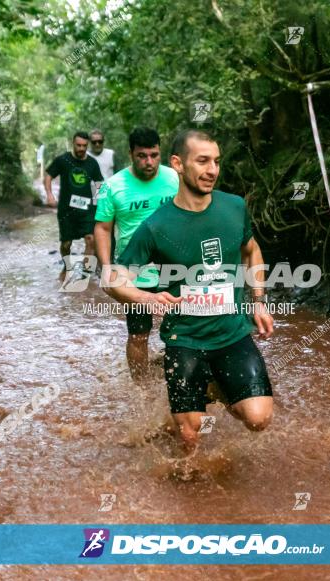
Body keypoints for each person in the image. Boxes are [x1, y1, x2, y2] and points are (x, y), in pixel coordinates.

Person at [102, 129, 274, 452]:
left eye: (217, 162)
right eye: (203, 161)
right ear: (178, 164)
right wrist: (147, 297)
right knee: (189, 440)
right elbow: (112, 279)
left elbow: (252, 251)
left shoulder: (234, 207)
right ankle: (199, 399)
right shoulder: (156, 226)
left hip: (232, 336)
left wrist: (259, 301)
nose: (212, 170)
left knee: (258, 418)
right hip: (185, 343)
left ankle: (215, 388)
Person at [94, 127, 179, 381]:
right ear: (131, 153)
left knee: (180, 332)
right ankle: (142, 389)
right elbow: (102, 227)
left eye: (154, 155)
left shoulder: (175, 178)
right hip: (134, 273)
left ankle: (178, 381)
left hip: (175, 269)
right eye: (142, 156)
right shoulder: (114, 186)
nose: (149, 162)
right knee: (139, 334)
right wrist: (107, 267)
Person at [44, 132, 104, 281]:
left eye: (84, 146)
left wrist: (101, 204)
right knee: (66, 244)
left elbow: (99, 184)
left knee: (91, 239)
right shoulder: (63, 160)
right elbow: (48, 175)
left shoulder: (92, 163)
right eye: (79, 145)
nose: (81, 148)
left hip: (87, 209)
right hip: (66, 210)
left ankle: (84, 274)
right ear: (73, 144)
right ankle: (67, 266)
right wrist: (49, 194)